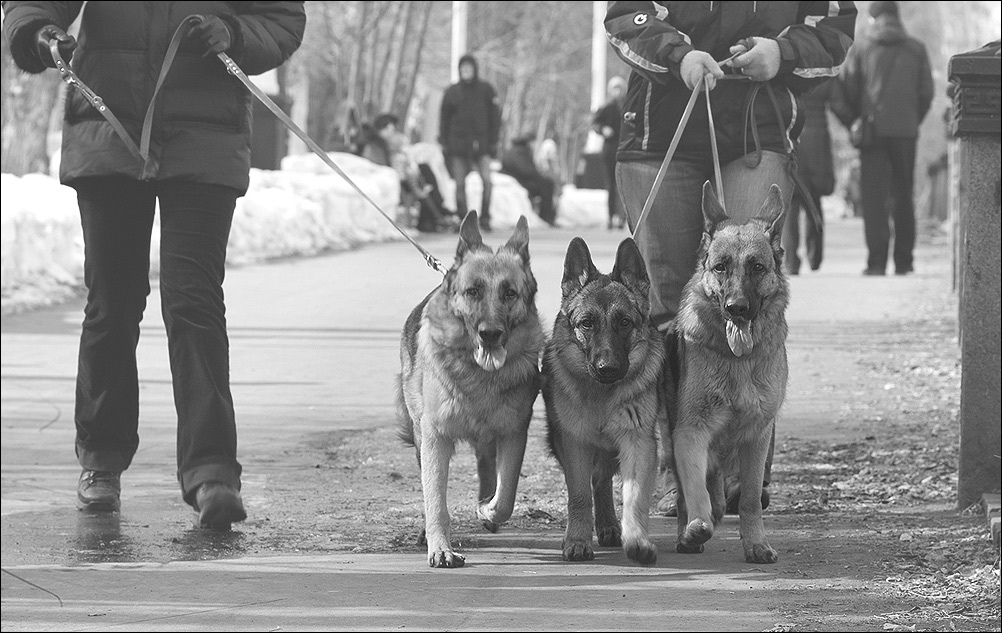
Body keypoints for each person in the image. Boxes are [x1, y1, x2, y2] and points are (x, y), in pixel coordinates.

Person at [2, 2, 306, 530]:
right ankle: (100, 460)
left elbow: (280, 19)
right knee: (113, 301)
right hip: (107, 124)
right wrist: (37, 30)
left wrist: (233, 33)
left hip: (206, 137)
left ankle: (212, 471)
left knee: (195, 301)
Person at [605, 1, 857, 514]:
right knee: (667, 310)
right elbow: (625, 15)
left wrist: (781, 53)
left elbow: (834, 28)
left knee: (750, 290)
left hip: (756, 131)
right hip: (660, 136)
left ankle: (747, 475)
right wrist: (678, 56)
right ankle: (690, 474)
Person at [831, 0, 934, 276]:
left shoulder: (862, 49)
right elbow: (926, 94)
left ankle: (876, 263)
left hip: (872, 135)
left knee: (874, 200)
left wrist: (854, 122)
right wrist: (911, 120)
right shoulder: (916, 49)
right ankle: (904, 262)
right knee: (903, 196)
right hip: (904, 134)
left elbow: (844, 91)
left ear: (874, 19)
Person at [439, 53, 502, 232]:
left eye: (469, 69)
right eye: (463, 69)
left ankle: (485, 217)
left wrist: (493, 141)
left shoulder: (486, 90)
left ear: (474, 70)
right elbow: (444, 119)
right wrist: (444, 142)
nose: (466, 72)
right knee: (459, 184)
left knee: (487, 182)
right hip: (457, 147)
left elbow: (495, 118)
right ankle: (464, 219)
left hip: (482, 145)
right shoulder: (452, 92)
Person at [361, 113, 453, 233]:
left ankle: (436, 213)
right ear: (380, 128)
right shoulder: (375, 145)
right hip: (394, 178)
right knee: (418, 183)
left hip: (399, 176)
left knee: (423, 170)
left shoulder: (387, 145)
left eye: (392, 129)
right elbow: (378, 166)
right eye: (388, 129)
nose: (391, 132)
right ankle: (437, 215)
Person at [783, 80, 836, 275]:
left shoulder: (786, 69)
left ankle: (791, 262)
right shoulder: (823, 70)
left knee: (791, 204)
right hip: (817, 138)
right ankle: (815, 258)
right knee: (814, 201)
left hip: (791, 134)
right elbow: (840, 102)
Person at [593, 75, 628, 230]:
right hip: (610, 150)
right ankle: (610, 216)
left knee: (624, 186)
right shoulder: (606, 107)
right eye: (615, 88)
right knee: (611, 185)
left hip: (626, 148)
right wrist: (602, 130)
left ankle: (622, 217)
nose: (617, 91)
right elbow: (595, 124)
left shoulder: (629, 105)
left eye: (620, 88)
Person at [500, 133, 558, 226]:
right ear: (529, 142)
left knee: (546, 184)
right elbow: (527, 171)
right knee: (548, 185)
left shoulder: (515, 150)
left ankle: (546, 216)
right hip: (521, 181)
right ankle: (546, 217)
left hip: (518, 179)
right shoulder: (521, 152)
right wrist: (541, 178)